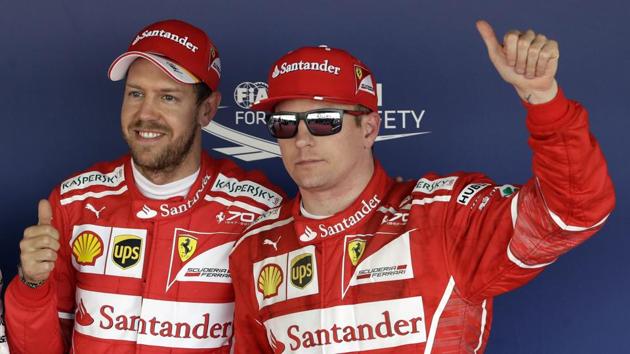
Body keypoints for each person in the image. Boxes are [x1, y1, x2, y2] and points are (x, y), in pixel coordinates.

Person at [229, 20, 615, 353]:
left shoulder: (443, 216)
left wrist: (543, 101)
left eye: (324, 121)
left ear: (369, 128)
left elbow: (571, 212)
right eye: (285, 124)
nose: (302, 139)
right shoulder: (256, 247)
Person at [4, 19, 283, 353]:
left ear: (206, 110)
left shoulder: (259, 211)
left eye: (168, 97)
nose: (145, 114)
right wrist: (31, 284)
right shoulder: (74, 201)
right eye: (135, 94)